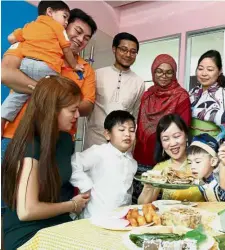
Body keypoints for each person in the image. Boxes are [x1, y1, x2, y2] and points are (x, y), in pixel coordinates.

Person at [1, 76, 90, 250]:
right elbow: (27, 211)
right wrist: (72, 205)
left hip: (60, 224)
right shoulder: (30, 145)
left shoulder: (65, 140)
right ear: (53, 110)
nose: (78, 115)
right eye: (72, 110)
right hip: (27, 231)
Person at [1, 8, 98, 154]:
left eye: (86, 38)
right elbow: (6, 74)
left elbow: (88, 105)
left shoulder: (85, 69)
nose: (80, 39)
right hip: (16, 134)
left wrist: (47, 95)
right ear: (63, 26)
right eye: (78, 32)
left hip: (58, 142)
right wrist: (51, 93)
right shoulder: (30, 44)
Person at [132, 54, 191, 203]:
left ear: (174, 74)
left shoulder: (181, 96)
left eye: (168, 72)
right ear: (153, 72)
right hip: (140, 159)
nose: (163, 75)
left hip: (166, 162)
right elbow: (140, 127)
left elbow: (183, 129)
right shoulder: (147, 95)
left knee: (163, 208)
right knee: (141, 207)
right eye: (159, 71)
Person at [70, 110, 137, 218]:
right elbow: (74, 163)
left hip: (120, 219)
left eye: (132, 130)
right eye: (121, 129)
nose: (127, 134)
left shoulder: (132, 162)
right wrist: (85, 185)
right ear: (107, 134)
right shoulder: (99, 152)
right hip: (94, 217)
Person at [84, 33, 144, 149]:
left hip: (120, 145)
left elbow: (136, 115)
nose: (128, 54)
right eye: (123, 49)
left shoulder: (139, 82)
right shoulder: (97, 74)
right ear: (114, 49)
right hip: (95, 141)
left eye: (133, 51)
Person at [138, 114, 204, 204]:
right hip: (170, 216)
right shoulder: (160, 169)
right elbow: (143, 205)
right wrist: (147, 187)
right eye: (166, 139)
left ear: (186, 136)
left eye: (176, 136)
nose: (172, 143)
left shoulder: (201, 161)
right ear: (161, 143)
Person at [189, 50, 225, 144]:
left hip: (212, 147)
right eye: (200, 68)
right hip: (190, 144)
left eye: (210, 69)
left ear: (219, 71)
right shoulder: (192, 93)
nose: (204, 73)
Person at [187, 133, 225, 202]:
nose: (192, 167)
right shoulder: (200, 180)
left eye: (198, 162)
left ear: (213, 161)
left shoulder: (221, 179)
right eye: (190, 162)